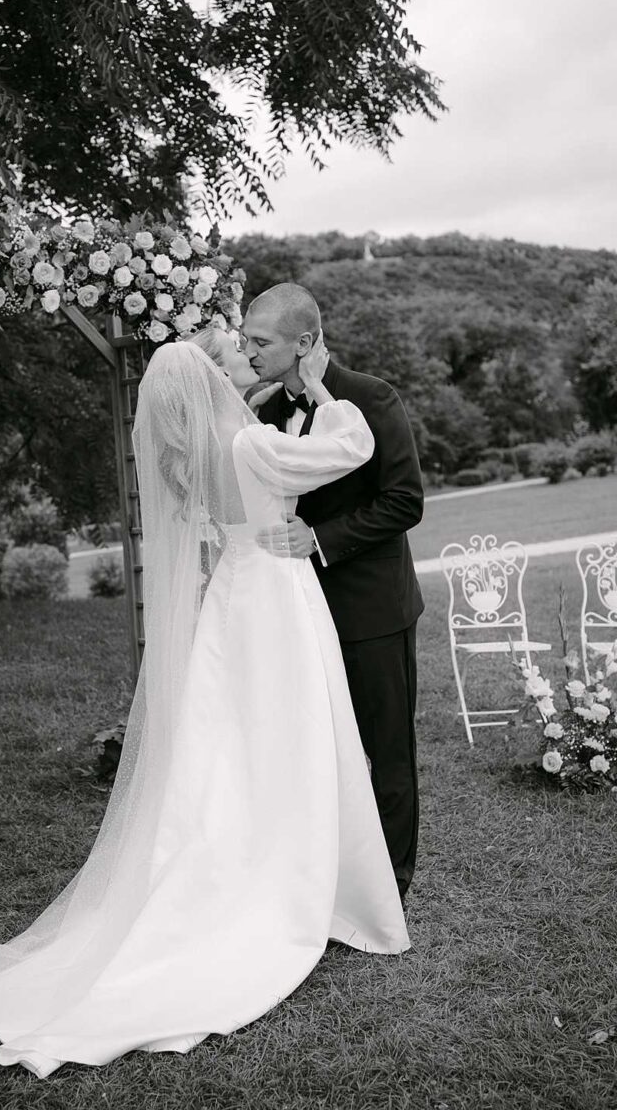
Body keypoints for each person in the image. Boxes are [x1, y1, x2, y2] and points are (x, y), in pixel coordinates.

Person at [0, 336, 408, 1077]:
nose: (232, 366)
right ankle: (294, 878)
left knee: (234, 750)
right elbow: (351, 445)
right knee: (293, 736)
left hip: (233, 602)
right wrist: (321, 388)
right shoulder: (247, 444)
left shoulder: (192, 461)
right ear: (206, 386)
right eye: (221, 364)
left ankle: (256, 858)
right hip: (276, 597)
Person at [244, 283, 424, 901]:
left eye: (260, 341)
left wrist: (319, 537)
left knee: (387, 751)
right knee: (320, 752)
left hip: (374, 610)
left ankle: (391, 883)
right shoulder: (264, 414)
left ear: (304, 342)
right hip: (300, 614)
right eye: (245, 340)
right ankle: (329, 874)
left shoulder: (372, 397)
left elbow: (405, 502)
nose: (249, 352)